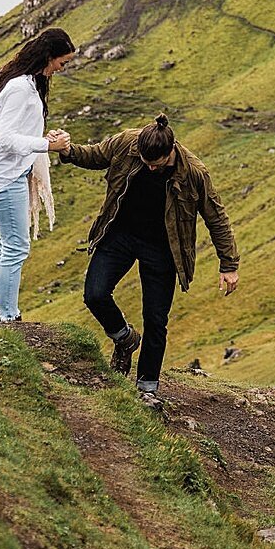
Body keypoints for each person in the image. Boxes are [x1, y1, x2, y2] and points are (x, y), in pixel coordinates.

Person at [58, 114, 240, 404]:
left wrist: (228, 265)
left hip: (163, 248)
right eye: (145, 162)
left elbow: (216, 217)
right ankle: (124, 337)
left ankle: (147, 387)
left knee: (156, 319)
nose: (151, 167)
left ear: (171, 150)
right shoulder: (127, 144)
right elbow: (95, 156)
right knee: (94, 294)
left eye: (157, 163)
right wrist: (67, 150)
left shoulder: (193, 172)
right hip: (120, 234)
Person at [0, 28, 76, 323]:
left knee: (8, 241)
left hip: (6, 171)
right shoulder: (20, 88)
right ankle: (8, 315)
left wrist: (35, 136)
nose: (62, 69)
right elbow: (4, 138)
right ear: (49, 57)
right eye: (62, 63)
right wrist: (46, 145)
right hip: (4, 174)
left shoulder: (13, 77)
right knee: (17, 245)